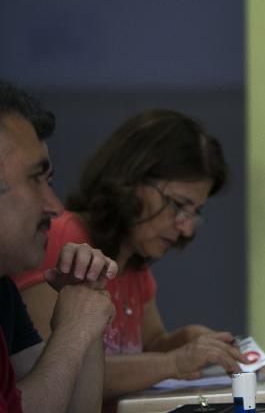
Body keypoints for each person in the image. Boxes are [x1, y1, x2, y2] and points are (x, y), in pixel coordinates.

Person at [15, 109, 247, 405]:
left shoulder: (136, 263)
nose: (186, 227)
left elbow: (148, 347)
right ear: (131, 180)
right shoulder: (64, 239)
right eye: (178, 205)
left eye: (195, 213)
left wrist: (186, 340)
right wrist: (175, 362)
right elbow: (55, 371)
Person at [0, 79, 117, 413]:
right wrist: (74, 331)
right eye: (35, 179)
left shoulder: (2, 288)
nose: (54, 206)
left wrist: (85, 303)